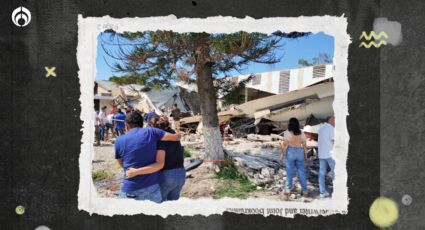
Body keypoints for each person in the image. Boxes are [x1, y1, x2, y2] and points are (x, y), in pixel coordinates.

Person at [114, 112, 181, 203]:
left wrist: (134, 171)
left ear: (126, 126)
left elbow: (121, 162)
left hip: (131, 188)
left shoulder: (119, 141)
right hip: (153, 189)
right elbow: (176, 137)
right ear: (142, 123)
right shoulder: (152, 132)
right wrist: (176, 130)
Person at [280, 117, 308, 198]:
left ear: (290, 124)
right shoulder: (302, 132)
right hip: (300, 151)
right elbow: (305, 145)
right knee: (301, 172)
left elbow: (284, 144)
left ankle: (288, 190)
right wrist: (305, 155)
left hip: (291, 152)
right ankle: (305, 191)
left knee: (289, 172)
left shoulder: (287, 132)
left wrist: (282, 154)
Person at [318, 116, 335, 198]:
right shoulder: (331, 128)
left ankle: (322, 192)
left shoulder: (321, 129)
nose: (335, 122)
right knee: (335, 173)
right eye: (334, 120)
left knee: (322, 174)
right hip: (330, 154)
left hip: (322, 154)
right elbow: (333, 140)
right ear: (330, 120)